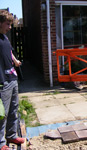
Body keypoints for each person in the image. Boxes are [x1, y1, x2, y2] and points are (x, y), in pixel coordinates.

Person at [0, 10, 25, 150]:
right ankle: (1, 143)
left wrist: (15, 60)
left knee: (13, 109)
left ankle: (11, 135)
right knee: (1, 114)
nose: (10, 27)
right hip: (2, 82)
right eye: (7, 24)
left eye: (11, 24)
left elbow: (9, 51)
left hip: (12, 78)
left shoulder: (5, 38)